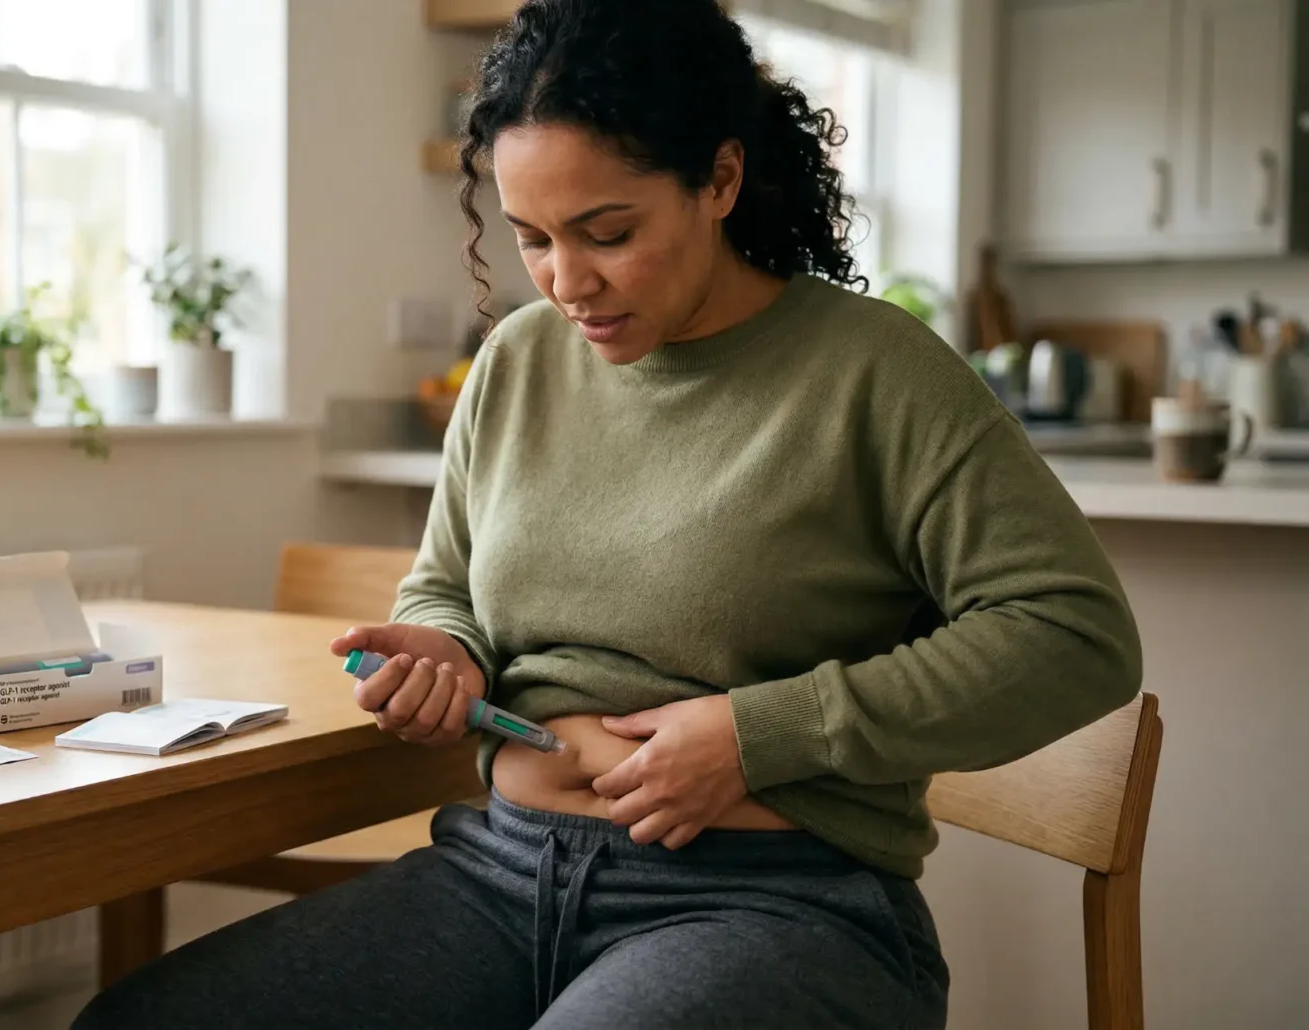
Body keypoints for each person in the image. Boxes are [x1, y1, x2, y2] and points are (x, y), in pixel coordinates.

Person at [74, 1, 1142, 1027]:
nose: (567, 282)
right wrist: (443, 648)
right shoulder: (518, 361)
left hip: (777, 901)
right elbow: (446, 578)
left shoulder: (876, 372)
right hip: (496, 872)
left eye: (607, 231)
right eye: (533, 237)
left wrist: (754, 734)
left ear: (720, 178)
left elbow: (1074, 635)